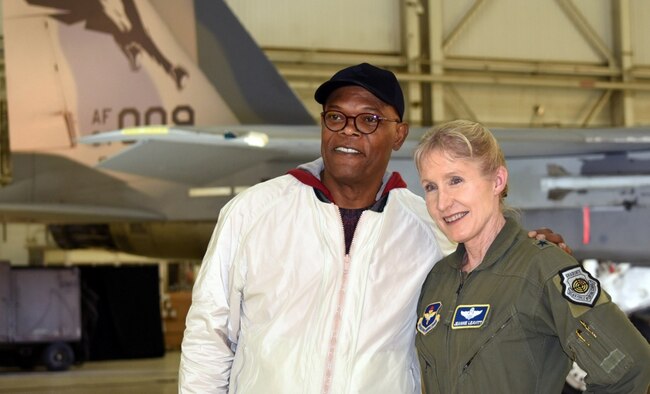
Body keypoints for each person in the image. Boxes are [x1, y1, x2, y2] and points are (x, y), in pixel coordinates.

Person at [179, 63, 567, 393]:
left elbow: (489, 282)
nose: (348, 130)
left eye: (369, 119)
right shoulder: (253, 212)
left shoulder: (430, 230)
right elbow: (209, 335)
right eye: (336, 116)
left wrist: (526, 253)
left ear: (398, 133)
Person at [413, 120, 650, 393]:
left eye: (456, 180)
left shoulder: (542, 268)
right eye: (431, 187)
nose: (442, 203)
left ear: (497, 181)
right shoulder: (437, 280)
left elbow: (630, 368)